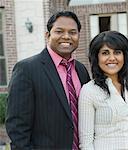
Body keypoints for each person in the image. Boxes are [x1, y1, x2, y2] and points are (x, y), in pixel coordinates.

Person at [5, 11, 90, 150]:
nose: (66, 36)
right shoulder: (26, 69)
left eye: (72, 32)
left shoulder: (81, 70)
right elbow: (17, 128)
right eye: (59, 31)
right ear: (47, 35)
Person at [78, 31, 128, 150]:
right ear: (96, 57)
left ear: (124, 56)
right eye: (105, 53)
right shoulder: (89, 91)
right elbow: (86, 142)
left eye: (117, 52)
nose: (112, 58)